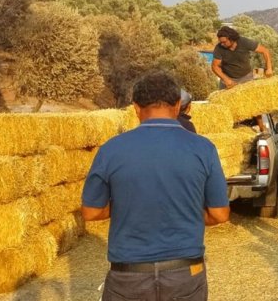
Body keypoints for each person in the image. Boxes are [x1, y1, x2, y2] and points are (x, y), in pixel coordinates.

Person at [81, 70, 230, 301]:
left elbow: (91, 212)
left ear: (136, 108)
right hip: (186, 274)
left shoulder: (111, 149)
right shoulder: (204, 148)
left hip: (128, 276)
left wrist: (126, 205)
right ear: (178, 105)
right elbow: (220, 214)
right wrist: (184, 211)